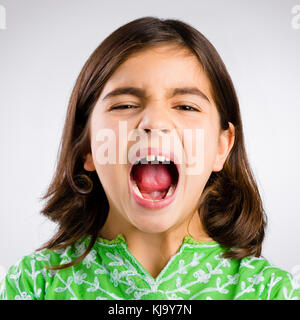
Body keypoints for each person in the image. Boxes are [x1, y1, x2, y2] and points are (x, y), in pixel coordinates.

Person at [1, 16, 299, 300]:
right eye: (125, 104)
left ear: (222, 147)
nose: (155, 122)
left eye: (185, 107)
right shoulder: (32, 286)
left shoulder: (271, 291)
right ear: (86, 146)